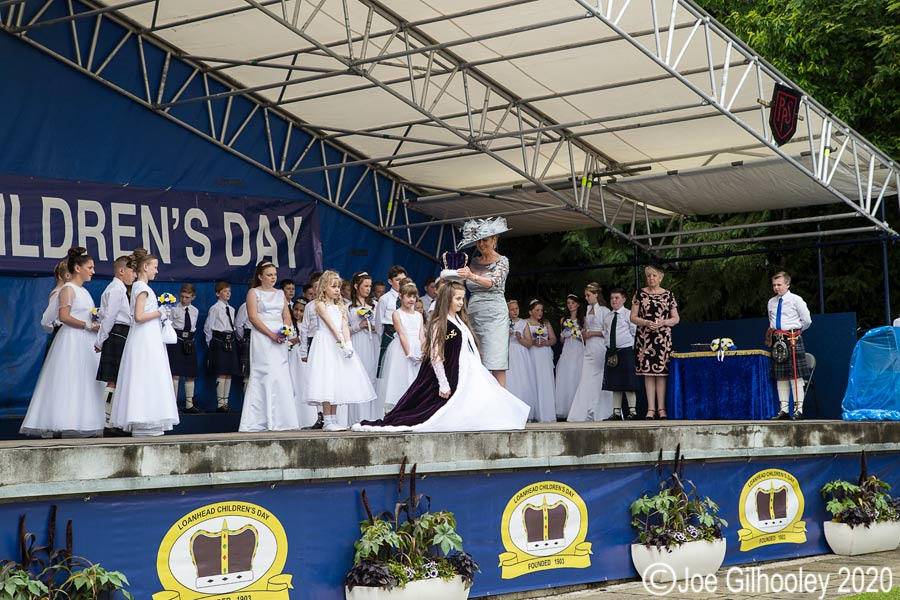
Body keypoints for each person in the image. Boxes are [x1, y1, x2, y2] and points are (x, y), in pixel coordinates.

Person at [352, 281, 530, 433]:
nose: (461, 302)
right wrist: (443, 383)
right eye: (457, 299)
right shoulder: (440, 323)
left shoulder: (461, 321)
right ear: (448, 299)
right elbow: (436, 355)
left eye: (462, 298)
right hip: (454, 373)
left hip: (469, 370)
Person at [21, 248, 106, 438]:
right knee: (70, 379)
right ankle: (67, 421)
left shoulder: (83, 291)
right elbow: (63, 316)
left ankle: (85, 421)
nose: (93, 271)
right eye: (90, 267)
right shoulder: (68, 289)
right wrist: (88, 325)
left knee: (86, 379)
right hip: (72, 339)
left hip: (86, 340)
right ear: (77, 268)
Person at [109, 248, 180, 437]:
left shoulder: (140, 287)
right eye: (155, 267)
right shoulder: (142, 288)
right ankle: (144, 418)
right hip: (145, 338)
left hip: (148, 336)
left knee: (148, 376)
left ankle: (149, 419)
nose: (157, 271)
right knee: (146, 375)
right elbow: (139, 316)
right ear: (146, 267)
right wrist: (160, 312)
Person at [306, 270, 377, 431]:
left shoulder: (341, 306)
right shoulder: (320, 305)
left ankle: (334, 418)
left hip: (339, 343)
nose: (337, 290)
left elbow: (344, 326)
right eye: (333, 286)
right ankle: (327, 419)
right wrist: (341, 342)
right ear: (324, 287)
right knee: (326, 379)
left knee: (337, 379)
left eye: (338, 287)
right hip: (326, 342)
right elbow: (331, 325)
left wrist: (348, 343)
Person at [239, 262, 301, 432]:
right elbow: (253, 317)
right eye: (269, 275)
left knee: (280, 375)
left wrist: (284, 331)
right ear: (260, 276)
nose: (273, 278)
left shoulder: (280, 293)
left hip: (279, 336)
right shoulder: (254, 292)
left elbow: (286, 316)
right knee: (265, 373)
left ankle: (282, 419)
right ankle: (260, 420)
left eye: (274, 274)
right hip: (263, 336)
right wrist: (271, 334)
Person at [456, 217, 511, 386]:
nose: (481, 244)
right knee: (475, 360)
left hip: (495, 316)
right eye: (478, 241)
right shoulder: (471, 262)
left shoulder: (503, 261)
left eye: (485, 240)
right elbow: (460, 285)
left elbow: (493, 282)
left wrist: (471, 276)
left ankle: (499, 402)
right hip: (473, 314)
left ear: (494, 239)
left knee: (496, 361)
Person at [631, 265, 679, 420]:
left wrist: (663, 322)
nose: (651, 278)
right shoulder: (640, 293)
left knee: (661, 373)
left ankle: (662, 408)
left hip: (662, 337)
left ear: (660, 277)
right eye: (649, 276)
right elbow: (632, 316)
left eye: (654, 276)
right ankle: (650, 409)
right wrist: (645, 322)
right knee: (648, 373)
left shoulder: (668, 295)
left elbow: (676, 318)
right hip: (644, 338)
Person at [94, 254, 136, 425]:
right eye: (132, 271)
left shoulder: (116, 288)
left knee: (117, 378)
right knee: (114, 378)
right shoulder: (117, 289)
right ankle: (105, 419)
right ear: (121, 271)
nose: (134, 275)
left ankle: (110, 418)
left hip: (119, 332)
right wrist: (100, 340)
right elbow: (109, 317)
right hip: (117, 332)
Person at [766, 271, 812, 420]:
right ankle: (784, 410)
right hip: (777, 340)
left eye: (779, 285)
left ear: (787, 284)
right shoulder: (771, 302)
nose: (776, 288)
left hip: (792, 338)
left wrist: (795, 333)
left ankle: (798, 410)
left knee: (795, 375)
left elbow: (807, 320)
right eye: (774, 285)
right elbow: (771, 320)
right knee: (781, 376)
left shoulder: (796, 300)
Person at [376, 280, 424, 411]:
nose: (412, 299)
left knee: (416, 378)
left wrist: (423, 351)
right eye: (408, 296)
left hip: (417, 347)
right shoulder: (397, 314)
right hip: (402, 349)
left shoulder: (419, 315)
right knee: (401, 377)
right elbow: (402, 334)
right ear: (400, 296)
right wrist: (409, 353)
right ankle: (399, 409)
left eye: (414, 296)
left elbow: (421, 335)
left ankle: (415, 408)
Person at [568, 283, 613, 422]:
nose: (586, 298)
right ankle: (584, 410)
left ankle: (599, 410)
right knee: (586, 377)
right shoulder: (588, 309)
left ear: (596, 295)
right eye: (586, 295)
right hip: (588, 346)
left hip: (599, 345)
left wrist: (592, 333)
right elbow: (587, 327)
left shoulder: (605, 311)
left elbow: (607, 331)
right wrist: (584, 333)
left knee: (598, 377)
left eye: (588, 295)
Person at [602, 288, 640, 420]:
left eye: (617, 298)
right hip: (612, 352)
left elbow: (634, 332)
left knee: (628, 383)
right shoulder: (607, 317)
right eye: (612, 298)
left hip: (626, 351)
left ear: (624, 299)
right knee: (615, 383)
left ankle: (633, 412)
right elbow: (605, 332)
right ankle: (617, 413)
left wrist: (630, 348)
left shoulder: (628, 315)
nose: (614, 300)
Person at [347, 272, 379, 422]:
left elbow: (380, 327)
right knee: (356, 378)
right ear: (356, 286)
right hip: (356, 342)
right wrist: (358, 326)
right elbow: (343, 329)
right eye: (365, 286)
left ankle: (371, 417)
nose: (368, 289)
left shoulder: (374, 305)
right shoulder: (348, 307)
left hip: (371, 342)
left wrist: (372, 326)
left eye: (369, 286)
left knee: (371, 376)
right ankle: (356, 418)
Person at [204, 281, 241, 412]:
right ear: (217, 293)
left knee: (229, 373)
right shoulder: (215, 308)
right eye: (225, 291)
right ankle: (220, 403)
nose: (228, 294)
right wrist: (211, 343)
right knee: (221, 372)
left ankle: (226, 401)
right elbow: (208, 327)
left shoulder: (231, 309)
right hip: (218, 340)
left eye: (229, 291)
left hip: (230, 340)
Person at [167, 283, 200, 413]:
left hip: (189, 342)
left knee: (190, 374)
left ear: (193, 297)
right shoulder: (174, 309)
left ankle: (189, 404)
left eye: (187, 297)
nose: (184, 299)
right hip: (177, 341)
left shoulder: (195, 311)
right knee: (175, 374)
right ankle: (173, 405)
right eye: (182, 296)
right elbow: (168, 326)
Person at [287, 298, 318, 428]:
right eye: (296, 310)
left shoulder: (308, 326)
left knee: (305, 383)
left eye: (301, 311)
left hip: (305, 358)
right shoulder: (288, 325)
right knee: (294, 383)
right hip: (293, 357)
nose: (298, 313)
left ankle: (308, 418)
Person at [524, 299, 556, 422]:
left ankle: (547, 413)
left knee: (545, 381)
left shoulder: (546, 323)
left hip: (544, 353)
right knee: (533, 380)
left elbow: (553, 338)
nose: (540, 312)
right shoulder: (525, 323)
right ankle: (534, 412)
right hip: (533, 353)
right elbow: (525, 340)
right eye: (537, 310)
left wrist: (546, 342)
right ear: (530, 312)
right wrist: (533, 342)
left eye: (541, 310)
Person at [555, 294, 585, 420]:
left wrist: (577, 334)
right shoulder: (564, 320)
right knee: (566, 377)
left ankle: (578, 408)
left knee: (577, 376)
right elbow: (561, 339)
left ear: (578, 304)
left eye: (573, 303)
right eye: (568, 303)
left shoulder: (583, 319)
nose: (570, 305)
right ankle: (565, 408)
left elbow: (586, 336)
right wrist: (566, 333)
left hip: (578, 349)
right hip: (567, 349)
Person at [506, 299, 538, 419]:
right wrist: (507, 335)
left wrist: (521, 339)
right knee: (511, 379)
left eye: (516, 309)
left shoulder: (524, 323)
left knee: (523, 379)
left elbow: (529, 343)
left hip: (521, 353)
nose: (515, 311)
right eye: (512, 309)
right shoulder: (504, 322)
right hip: (508, 352)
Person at [375, 265, 407, 377]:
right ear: (390, 281)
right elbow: (378, 323)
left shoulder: (408, 298)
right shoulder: (385, 299)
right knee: (387, 368)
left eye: (403, 280)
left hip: (405, 336)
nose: (401, 283)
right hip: (389, 335)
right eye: (398, 280)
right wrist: (382, 340)